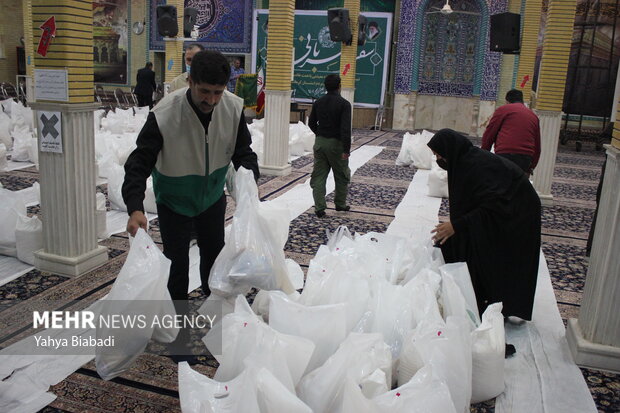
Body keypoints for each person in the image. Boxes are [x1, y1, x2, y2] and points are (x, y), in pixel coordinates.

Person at [122, 50, 259, 362]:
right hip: (175, 203)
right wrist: (134, 207)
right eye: (204, 91)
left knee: (215, 268)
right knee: (177, 273)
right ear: (190, 81)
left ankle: (218, 333)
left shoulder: (232, 109)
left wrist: (250, 186)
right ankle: (178, 340)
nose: (211, 100)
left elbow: (244, 153)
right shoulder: (165, 114)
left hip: (211, 200)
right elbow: (138, 162)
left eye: (218, 92)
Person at [428, 129, 541, 323]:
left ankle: (503, 304)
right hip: (504, 206)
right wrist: (457, 225)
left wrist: (457, 225)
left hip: (519, 210)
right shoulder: (463, 162)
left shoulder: (476, 165)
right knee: (470, 240)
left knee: (504, 254)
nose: (438, 159)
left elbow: (493, 206)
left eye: (439, 155)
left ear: (450, 151)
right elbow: (472, 204)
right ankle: (483, 294)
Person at [308, 74, 352, 218]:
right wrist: (346, 149)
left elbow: (311, 123)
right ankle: (340, 204)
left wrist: (320, 135)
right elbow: (345, 129)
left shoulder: (318, 102)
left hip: (320, 143)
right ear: (339, 86)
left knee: (319, 176)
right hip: (336, 144)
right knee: (341, 175)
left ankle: (319, 207)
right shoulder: (344, 104)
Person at [481, 89, 541, 174]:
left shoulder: (503, 110)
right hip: (525, 158)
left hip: (505, 154)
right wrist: (531, 167)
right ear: (522, 101)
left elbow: (489, 135)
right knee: (516, 186)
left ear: (507, 101)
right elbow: (537, 145)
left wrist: (483, 156)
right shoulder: (533, 116)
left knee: (500, 184)